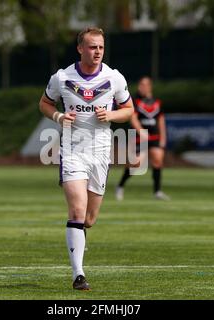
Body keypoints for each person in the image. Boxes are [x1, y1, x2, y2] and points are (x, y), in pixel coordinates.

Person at [39, 27, 134, 290]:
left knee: (89, 219)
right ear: (80, 48)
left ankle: (79, 238)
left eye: (101, 47)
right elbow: (45, 103)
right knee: (77, 211)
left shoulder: (114, 78)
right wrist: (59, 117)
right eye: (92, 47)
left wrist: (111, 116)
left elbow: (128, 110)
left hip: (101, 152)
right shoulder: (61, 77)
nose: (97, 52)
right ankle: (78, 274)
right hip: (72, 150)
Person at [115, 76, 170, 201]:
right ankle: (120, 185)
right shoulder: (134, 101)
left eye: (145, 85)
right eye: (141, 85)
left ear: (149, 87)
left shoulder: (157, 102)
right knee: (137, 163)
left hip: (155, 135)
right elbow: (132, 118)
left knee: (157, 160)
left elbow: (161, 120)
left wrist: (163, 138)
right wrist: (141, 131)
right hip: (140, 136)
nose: (142, 87)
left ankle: (157, 191)